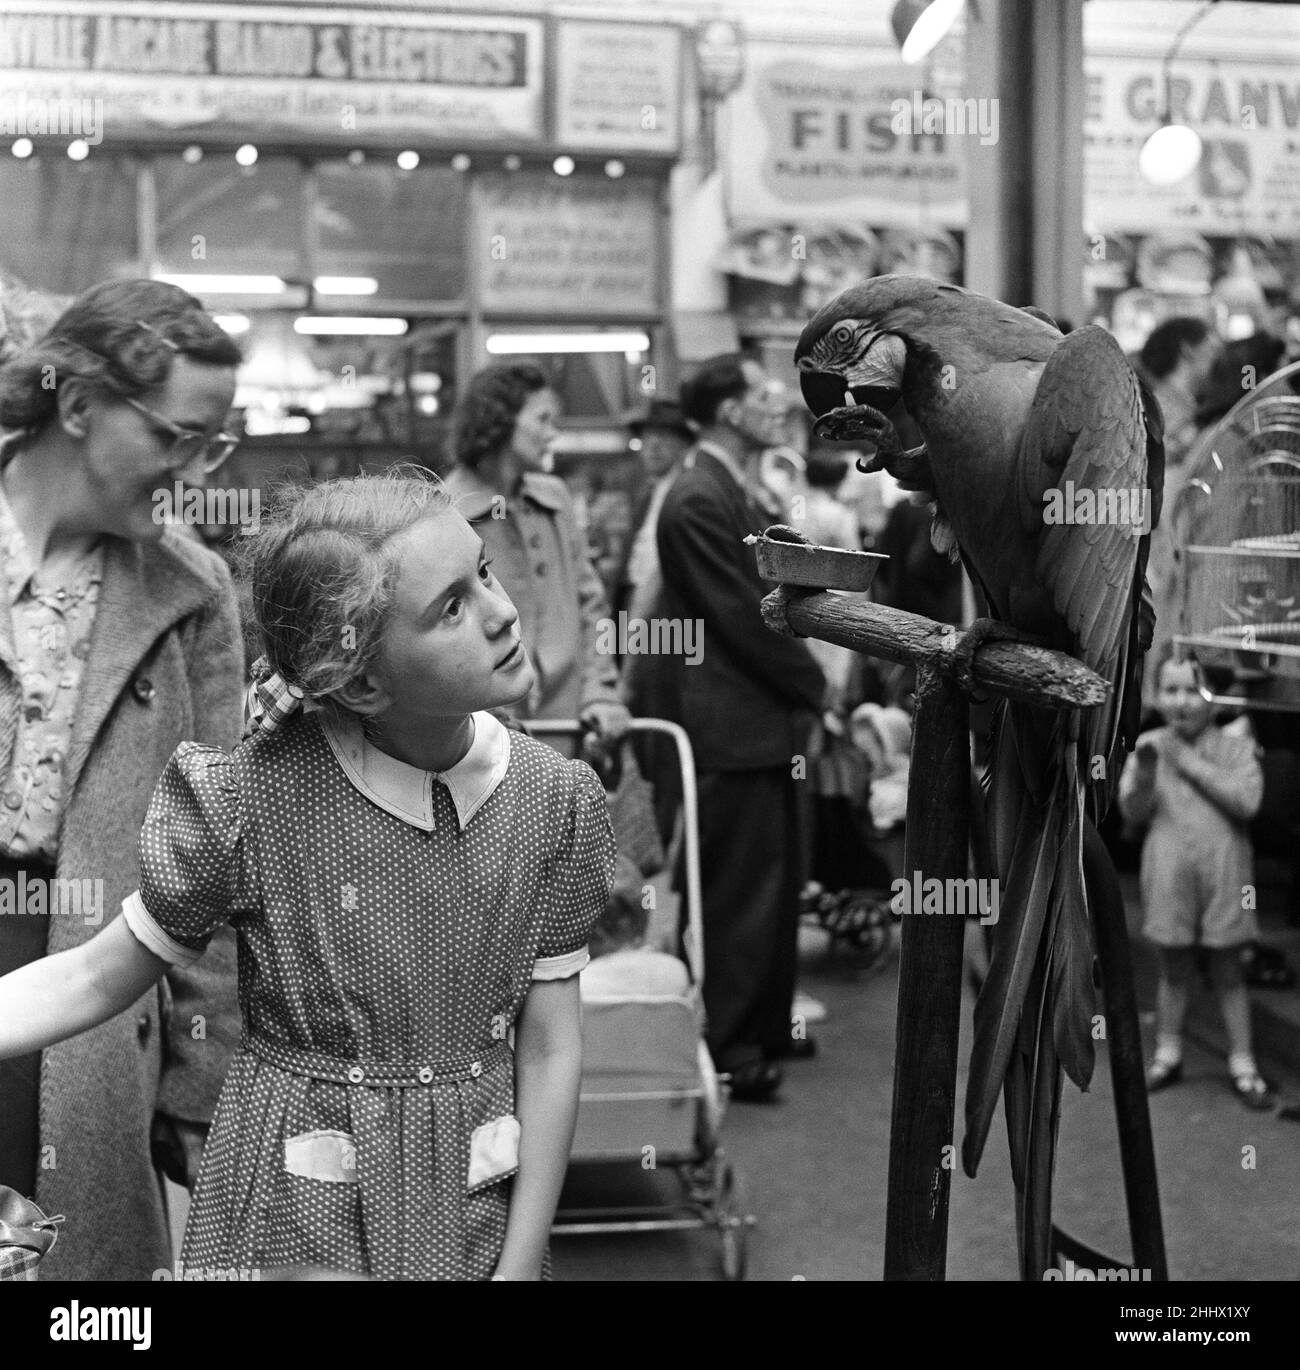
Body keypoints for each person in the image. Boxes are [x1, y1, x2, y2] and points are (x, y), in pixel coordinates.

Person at [0, 470, 617, 1279]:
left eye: (486, 573)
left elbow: (549, 1048)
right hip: (291, 1212)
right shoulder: (252, 798)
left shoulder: (554, 802)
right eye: (452, 607)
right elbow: (92, 976)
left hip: (471, 1213)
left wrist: (520, 1262)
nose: (502, 613)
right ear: (362, 680)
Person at [0, 278, 244, 1280]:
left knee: (78, 1293)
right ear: (76, 404)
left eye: (210, 446)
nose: (188, 471)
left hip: (96, 997)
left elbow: (215, 863)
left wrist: (201, 1102)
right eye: (175, 436)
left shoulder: (190, 593)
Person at [654, 354, 827, 1101]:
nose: (775, 402)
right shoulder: (697, 497)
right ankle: (730, 1044)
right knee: (737, 893)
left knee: (775, 881)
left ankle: (763, 1026)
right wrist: (812, 680)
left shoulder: (729, 487)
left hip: (760, 720)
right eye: (759, 393)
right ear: (726, 411)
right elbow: (741, 615)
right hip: (732, 718)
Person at [443, 363, 629, 756]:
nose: (553, 433)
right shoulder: (443, 510)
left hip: (569, 727)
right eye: (543, 419)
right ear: (501, 420)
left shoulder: (554, 496)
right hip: (484, 737)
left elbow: (590, 606)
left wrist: (601, 694)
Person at [1118, 650, 1273, 1110]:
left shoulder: (1237, 745)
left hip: (1226, 871)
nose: (1182, 701)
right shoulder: (1149, 744)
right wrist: (1145, 773)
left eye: (1193, 689)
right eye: (1171, 689)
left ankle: (1243, 1062)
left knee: (1229, 968)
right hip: (1167, 867)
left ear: (1215, 695)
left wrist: (1186, 760)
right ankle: (1168, 1052)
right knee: (1173, 965)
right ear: (1156, 694)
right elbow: (1132, 815)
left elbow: (1246, 803)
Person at [616, 396, 693, 624]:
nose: (654, 445)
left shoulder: (686, 494)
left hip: (667, 614)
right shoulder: (648, 493)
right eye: (648, 436)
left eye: (664, 436)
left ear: (684, 444)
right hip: (636, 605)